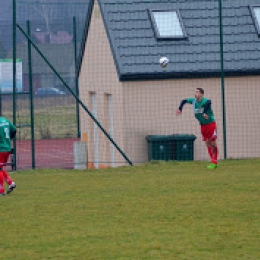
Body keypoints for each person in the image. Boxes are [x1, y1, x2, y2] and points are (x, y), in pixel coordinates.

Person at [176, 88, 218, 169]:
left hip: (210, 124)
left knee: (213, 143)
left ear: (202, 94)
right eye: (195, 92)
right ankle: (212, 161)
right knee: (207, 143)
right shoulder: (194, 101)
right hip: (202, 125)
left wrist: (205, 112)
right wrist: (180, 108)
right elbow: (184, 101)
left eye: (197, 92)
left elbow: (209, 102)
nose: (195, 93)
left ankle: (214, 162)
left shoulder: (205, 100)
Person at [0, 115, 17, 195]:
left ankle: (1, 191)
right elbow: (14, 130)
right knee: (0, 168)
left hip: (1, 148)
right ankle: (11, 183)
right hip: (7, 148)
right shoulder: (5, 120)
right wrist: (7, 140)